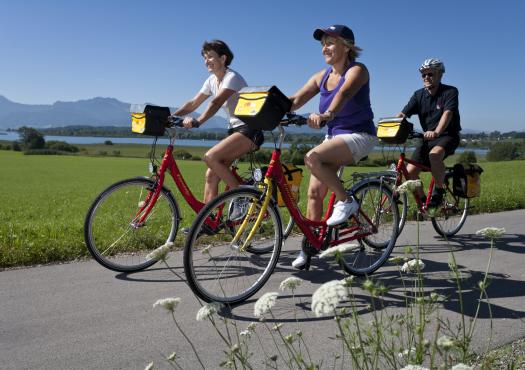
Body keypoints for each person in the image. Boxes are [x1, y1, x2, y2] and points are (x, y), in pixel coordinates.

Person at [288, 25, 377, 269]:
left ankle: (346, 200)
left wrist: (327, 113)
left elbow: (345, 93)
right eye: (323, 44)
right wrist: (268, 109)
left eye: (330, 42)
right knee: (314, 193)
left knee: (312, 157)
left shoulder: (358, 70)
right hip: (335, 137)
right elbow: (294, 100)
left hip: (359, 135)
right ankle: (310, 246)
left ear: (346, 46)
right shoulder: (321, 76)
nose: (325, 48)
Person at [172, 40, 264, 216]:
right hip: (235, 131)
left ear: (223, 58)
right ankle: (208, 221)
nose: (207, 61)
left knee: (210, 157)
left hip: (249, 130)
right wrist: (172, 117)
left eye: (210, 57)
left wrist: (199, 121)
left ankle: (242, 197)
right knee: (211, 175)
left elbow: (216, 102)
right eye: (205, 58)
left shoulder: (232, 78)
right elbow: (193, 103)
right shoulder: (212, 80)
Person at [396, 58, 461, 207]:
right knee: (410, 173)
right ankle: (424, 202)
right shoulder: (418, 95)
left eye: (430, 74)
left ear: (440, 74)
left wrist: (437, 132)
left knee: (434, 155)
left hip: (447, 136)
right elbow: (402, 114)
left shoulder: (450, 91)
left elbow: (448, 114)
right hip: (427, 138)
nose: (426, 77)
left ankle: (439, 191)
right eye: (423, 75)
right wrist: (389, 127)